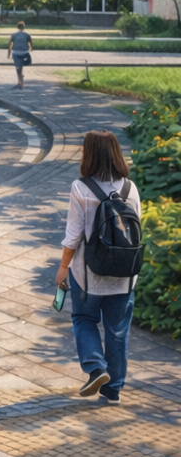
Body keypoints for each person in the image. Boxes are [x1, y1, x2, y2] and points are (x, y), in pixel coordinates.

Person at [57, 131, 141, 403]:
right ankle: (113, 389)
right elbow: (136, 229)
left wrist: (63, 267)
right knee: (117, 331)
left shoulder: (81, 188)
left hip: (89, 275)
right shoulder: (130, 188)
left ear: (89, 154)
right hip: (124, 275)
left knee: (83, 319)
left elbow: (73, 235)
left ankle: (96, 369)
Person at [8, 21, 32, 88]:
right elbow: (30, 44)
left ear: (17, 27)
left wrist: (8, 54)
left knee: (18, 67)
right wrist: (30, 49)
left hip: (16, 53)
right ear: (24, 27)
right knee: (25, 63)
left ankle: (20, 82)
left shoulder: (14, 35)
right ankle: (21, 81)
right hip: (25, 53)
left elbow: (10, 45)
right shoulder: (27, 35)